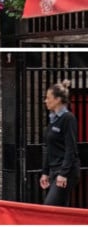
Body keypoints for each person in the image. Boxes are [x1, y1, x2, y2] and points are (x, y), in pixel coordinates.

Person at [40, 79, 81, 207]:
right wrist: (45, 172)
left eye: (48, 97)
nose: (45, 101)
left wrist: (63, 174)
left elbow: (71, 149)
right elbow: (49, 148)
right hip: (54, 170)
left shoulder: (68, 118)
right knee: (59, 211)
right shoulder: (53, 119)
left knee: (49, 208)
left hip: (66, 172)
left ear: (57, 99)